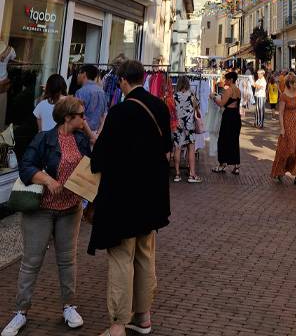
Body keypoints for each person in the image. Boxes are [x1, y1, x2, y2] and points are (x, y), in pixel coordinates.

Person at [89, 60, 172, 336]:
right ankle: (143, 316)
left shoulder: (120, 112)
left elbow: (101, 155)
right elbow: (167, 147)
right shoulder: (159, 106)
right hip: (152, 197)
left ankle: (117, 325)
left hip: (123, 198)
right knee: (146, 254)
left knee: (122, 257)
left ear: (124, 81)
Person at [2, 97, 94, 336]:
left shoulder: (82, 139)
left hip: (71, 209)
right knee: (31, 261)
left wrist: (88, 130)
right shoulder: (45, 138)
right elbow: (26, 166)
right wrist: (47, 179)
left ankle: (69, 306)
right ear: (67, 118)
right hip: (41, 209)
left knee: (67, 259)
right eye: (81, 116)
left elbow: (92, 165)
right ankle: (20, 311)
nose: (84, 119)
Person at [271, 73, 296, 186]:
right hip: (287, 125)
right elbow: (280, 113)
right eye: (295, 82)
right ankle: (280, 172)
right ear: (290, 84)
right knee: (286, 151)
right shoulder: (284, 96)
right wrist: (282, 128)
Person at [211, 71, 242, 175]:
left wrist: (214, 97)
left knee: (223, 139)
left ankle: (222, 164)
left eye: (227, 79)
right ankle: (236, 165)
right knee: (234, 140)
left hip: (228, 116)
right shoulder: (238, 90)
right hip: (236, 117)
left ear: (231, 80)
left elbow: (222, 104)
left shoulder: (228, 90)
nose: (225, 81)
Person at [172, 76, 202, 184]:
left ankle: (177, 174)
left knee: (177, 148)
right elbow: (197, 109)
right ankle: (192, 175)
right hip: (189, 126)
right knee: (191, 149)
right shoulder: (191, 95)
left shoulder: (174, 96)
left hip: (178, 126)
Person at [75, 64, 108, 136]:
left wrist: (90, 135)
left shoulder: (80, 92)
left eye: (79, 73)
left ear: (84, 74)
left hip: (83, 133)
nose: (77, 76)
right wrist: (98, 133)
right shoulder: (102, 92)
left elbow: (80, 116)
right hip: (97, 133)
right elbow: (104, 115)